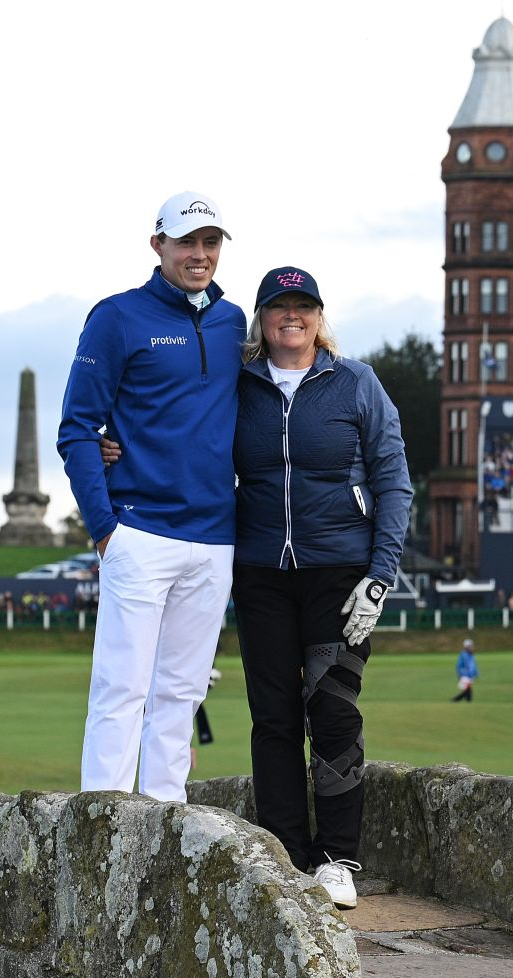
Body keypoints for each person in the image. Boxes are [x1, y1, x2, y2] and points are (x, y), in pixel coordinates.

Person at [227, 266, 412, 910]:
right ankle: (283, 853)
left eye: (303, 307)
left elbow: (394, 478)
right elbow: (183, 440)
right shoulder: (239, 384)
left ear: (318, 316)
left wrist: (380, 575)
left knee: (332, 711)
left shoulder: (355, 382)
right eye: (280, 307)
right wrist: (115, 447)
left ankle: (336, 859)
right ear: (262, 318)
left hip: (339, 573)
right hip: (260, 575)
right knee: (273, 717)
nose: (292, 317)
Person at [57, 191, 243, 803]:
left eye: (209, 242)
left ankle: (167, 826)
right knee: (121, 689)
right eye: (186, 242)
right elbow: (78, 428)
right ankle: (101, 834)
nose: (199, 254)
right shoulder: (117, 317)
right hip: (137, 531)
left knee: (181, 694)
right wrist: (104, 526)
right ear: (158, 244)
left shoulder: (233, 321)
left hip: (215, 539)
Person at [452, 637, 478, 702]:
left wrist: (476, 673)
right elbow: (459, 666)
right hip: (465, 675)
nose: (472, 648)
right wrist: (462, 674)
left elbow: (473, 666)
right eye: (470, 646)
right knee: (468, 690)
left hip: (470, 676)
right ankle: (455, 700)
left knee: (468, 691)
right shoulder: (463, 655)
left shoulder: (471, 655)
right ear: (466, 647)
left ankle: (456, 700)